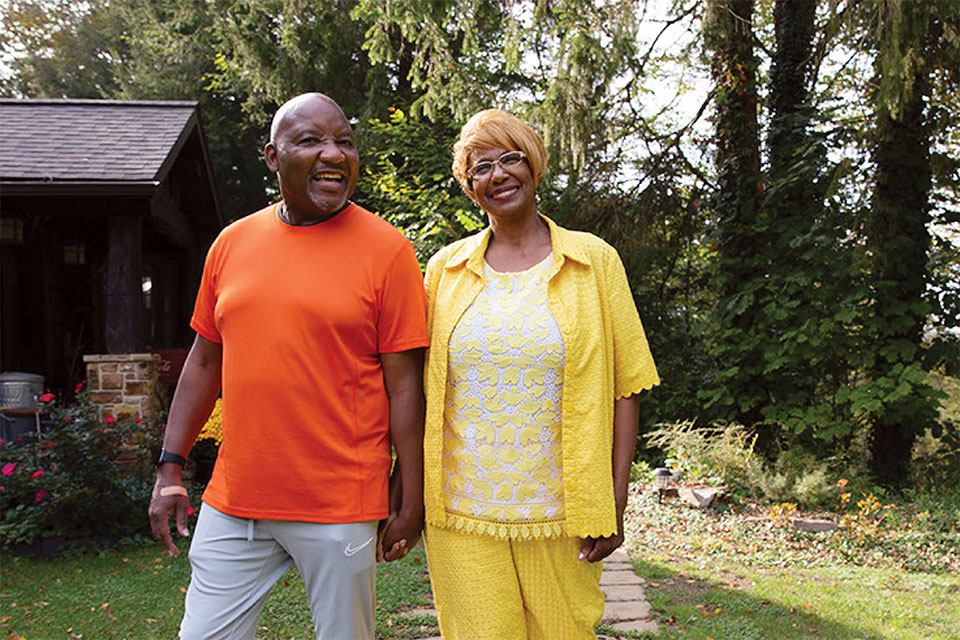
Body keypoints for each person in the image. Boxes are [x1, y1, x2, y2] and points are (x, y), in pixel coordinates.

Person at [148, 92, 428, 640]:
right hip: (235, 501)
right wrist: (169, 468)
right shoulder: (232, 244)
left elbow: (404, 386)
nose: (333, 154)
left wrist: (409, 492)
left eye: (344, 141)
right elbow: (205, 362)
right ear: (273, 158)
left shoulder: (388, 251)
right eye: (311, 141)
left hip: (340, 502)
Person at [421, 109, 660, 639]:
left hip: (563, 511)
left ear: (534, 167)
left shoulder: (594, 261)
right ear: (469, 184)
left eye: (511, 159)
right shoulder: (444, 270)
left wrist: (614, 501)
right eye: (482, 166)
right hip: (462, 513)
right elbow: (415, 383)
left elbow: (627, 389)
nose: (499, 174)